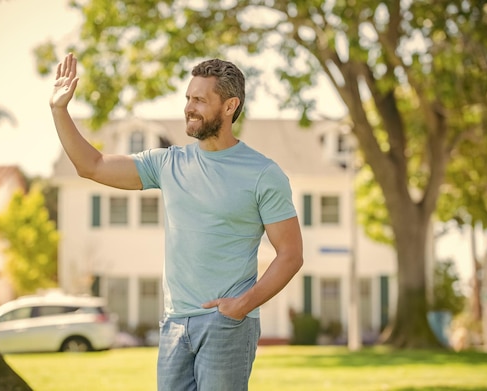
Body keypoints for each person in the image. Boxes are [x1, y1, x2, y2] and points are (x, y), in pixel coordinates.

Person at [50, 53, 304, 391]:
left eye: (200, 99)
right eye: (188, 98)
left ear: (230, 106)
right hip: (174, 324)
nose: (189, 107)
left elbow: (290, 254)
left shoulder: (262, 173)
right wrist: (59, 110)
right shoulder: (168, 163)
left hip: (226, 324)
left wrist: (241, 306)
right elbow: (92, 165)